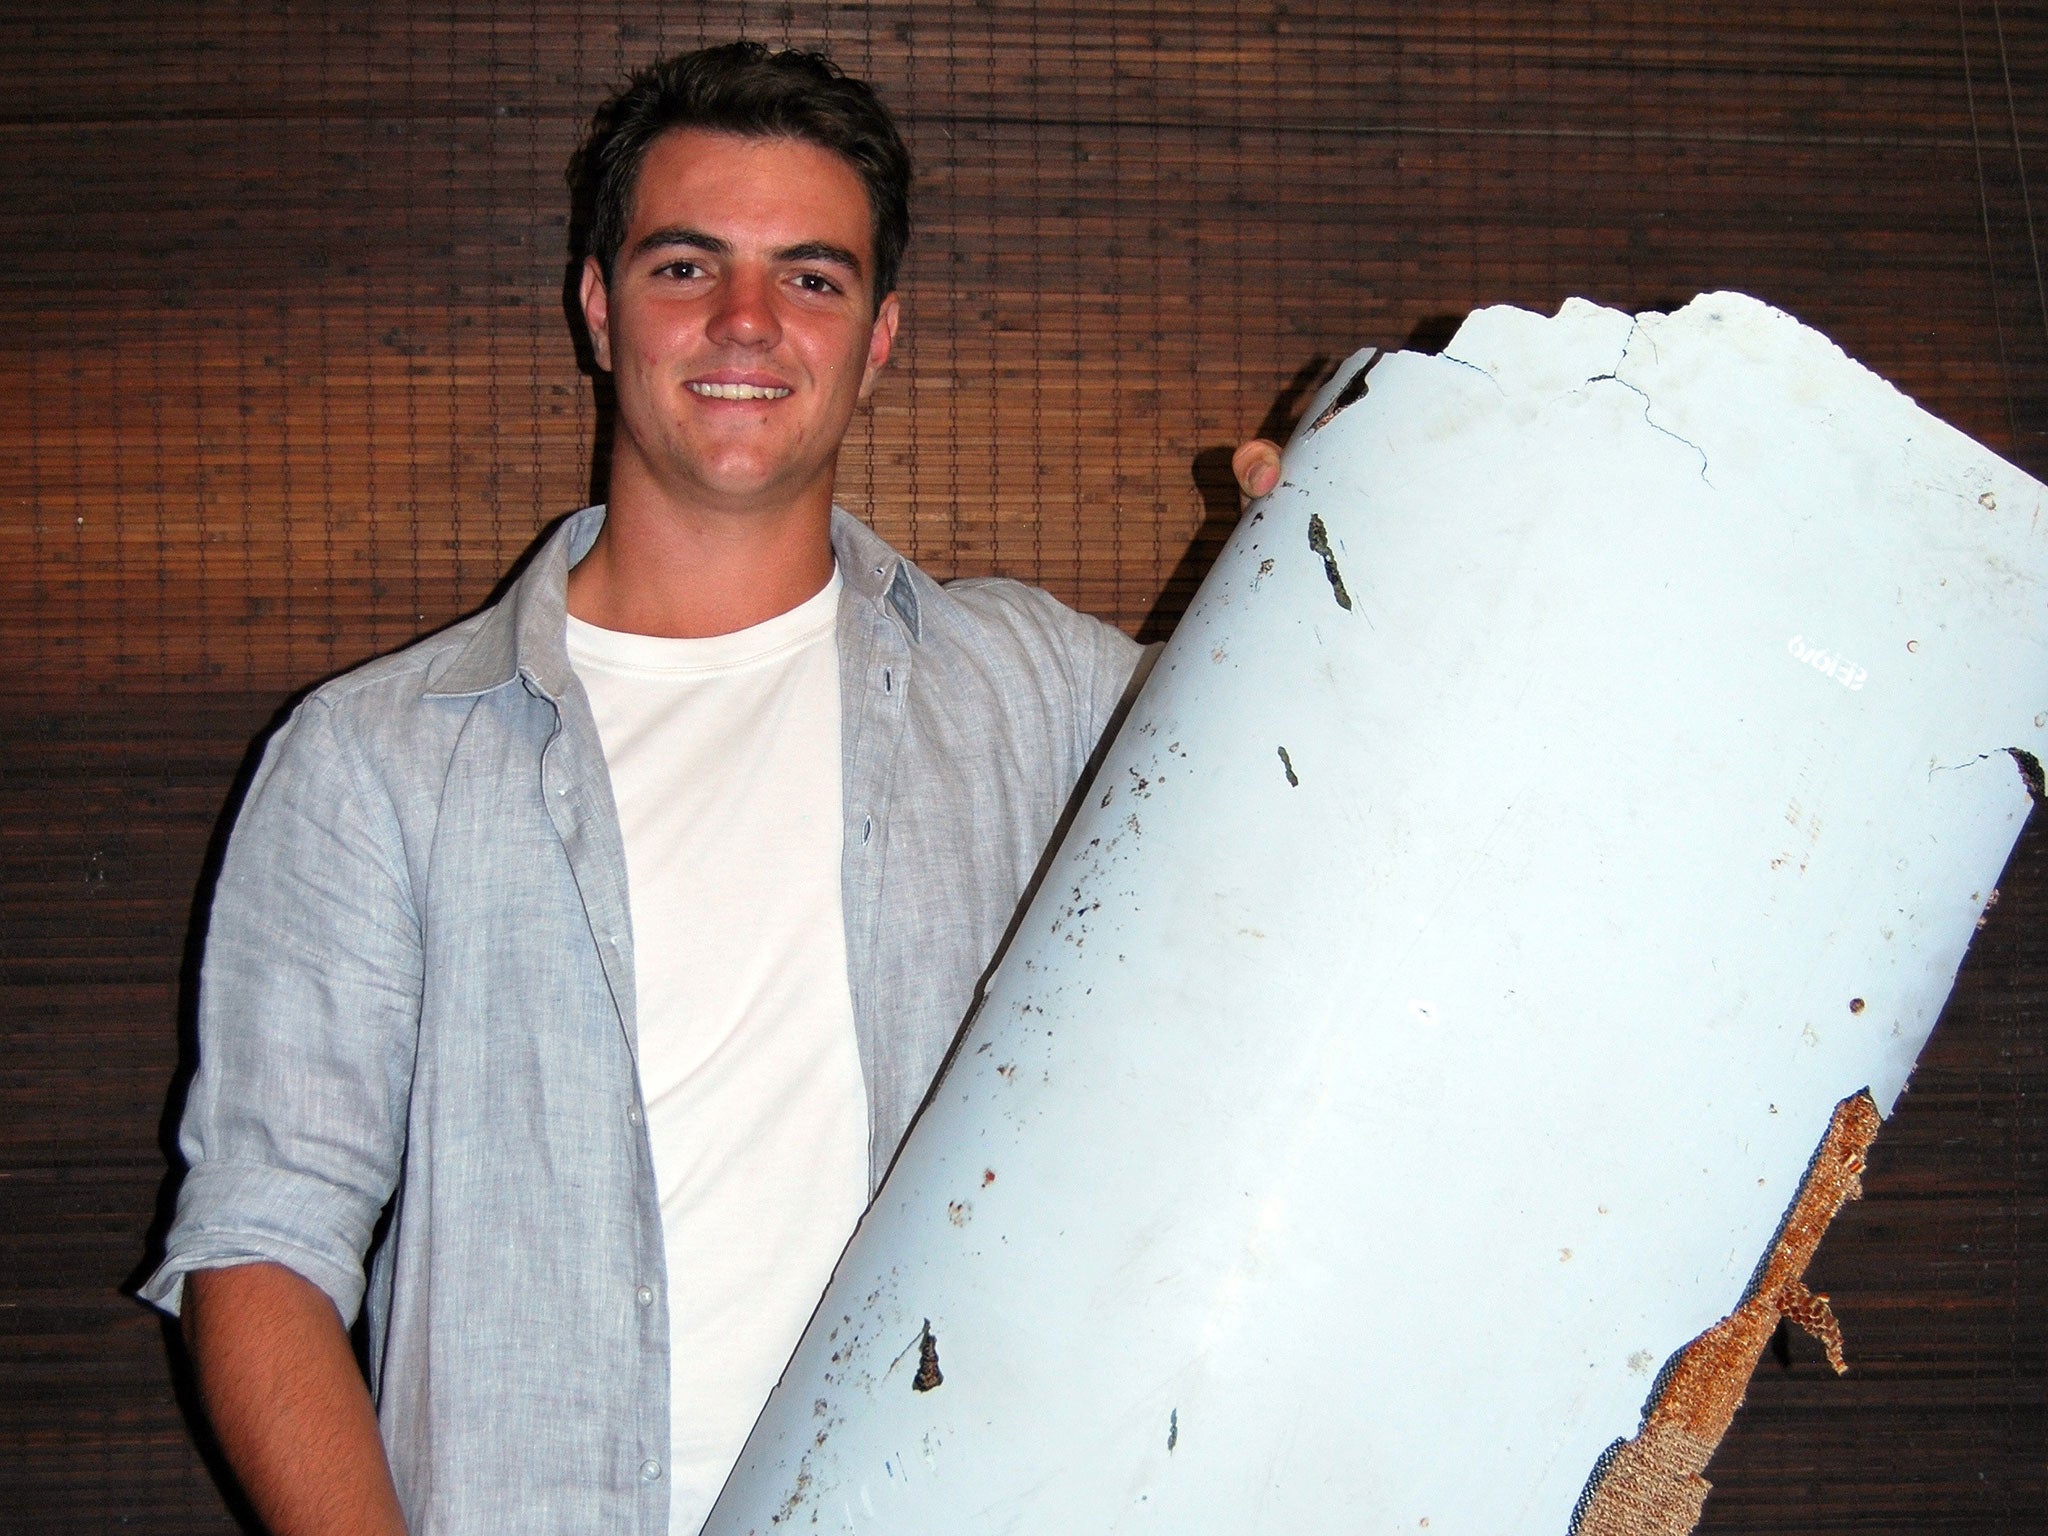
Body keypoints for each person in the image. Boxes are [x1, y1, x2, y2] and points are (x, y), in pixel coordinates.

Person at [144, 40, 1282, 1536]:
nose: (747, 322)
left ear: (880, 336)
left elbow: (1329, 805)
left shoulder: (1041, 693)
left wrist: (1339, 545)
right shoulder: (375, 757)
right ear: (600, 306)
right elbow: (262, 1243)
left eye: (813, 277)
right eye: (689, 266)